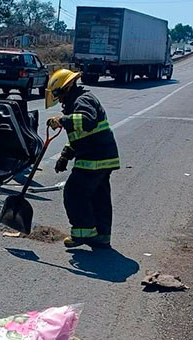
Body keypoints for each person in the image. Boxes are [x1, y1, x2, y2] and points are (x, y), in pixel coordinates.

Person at [45, 69, 120, 249]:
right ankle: (102, 236)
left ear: (68, 87)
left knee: (74, 193)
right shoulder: (77, 101)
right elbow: (81, 136)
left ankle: (83, 232)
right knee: (98, 196)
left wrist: (62, 121)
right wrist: (65, 155)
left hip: (94, 158)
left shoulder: (82, 100)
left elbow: (87, 121)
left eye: (58, 93)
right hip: (103, 156)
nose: (59, 98)